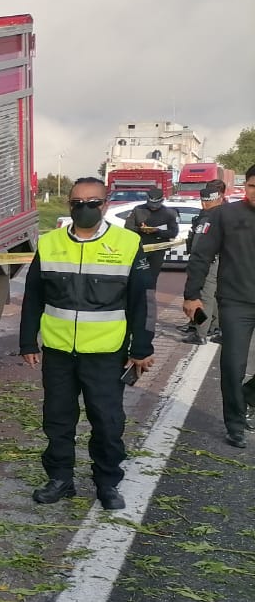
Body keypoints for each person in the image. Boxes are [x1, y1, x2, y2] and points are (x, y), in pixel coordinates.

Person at [20, 177, 154, 510]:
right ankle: (60, 479)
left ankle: (107, 483)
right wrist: (27, 342)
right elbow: (33, 296)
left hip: (107, 354)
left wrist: (142, 347)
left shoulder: (127, 242)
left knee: (107, 423)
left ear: (105, 204)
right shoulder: (50, 243)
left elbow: (142, 301)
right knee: (57, 419)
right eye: (77, 203)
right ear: (69, 205)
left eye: (92, 202)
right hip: (59, 352)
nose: (84, 208)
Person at [183, 164, 255, 448]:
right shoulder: (225, 215)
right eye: (252, 186)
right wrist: (192, 295)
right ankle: (235, 423)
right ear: (244, 187)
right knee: (232, 364)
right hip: (236, 303)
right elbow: (201, 255)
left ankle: (248, 396)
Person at [181, 181, 225, 344]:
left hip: (209, 263)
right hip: (222, 263)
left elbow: (199, 247)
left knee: (203, 297)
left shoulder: (207, 218)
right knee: (214, 296)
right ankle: (215, 327)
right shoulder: (225, 214)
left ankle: (200, 333)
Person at [127, 187, 179, 301]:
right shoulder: (138, 210)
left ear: (162, 201)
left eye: (156, 205)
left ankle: (149, 300)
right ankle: (134, 298)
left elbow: (173, 232)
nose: (153, 207)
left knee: (152, 277)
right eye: (151, 204)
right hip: (140, 249)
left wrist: (157, 231)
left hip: (157, 250)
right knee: (137, 276)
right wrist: (140, 229)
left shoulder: (169, 213)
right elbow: (128, 227)